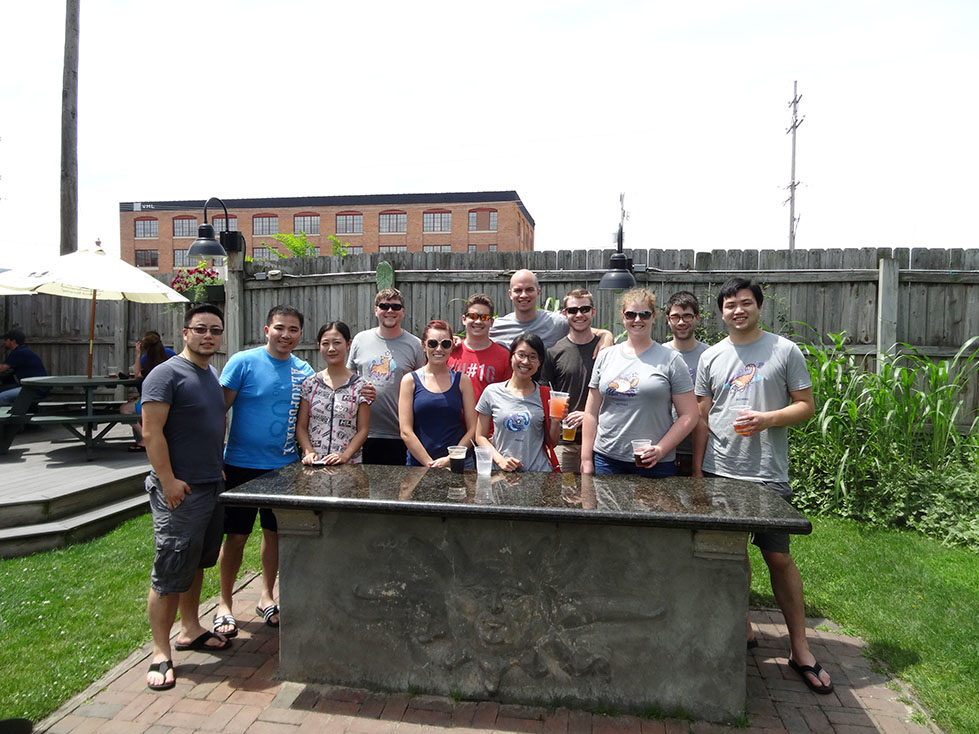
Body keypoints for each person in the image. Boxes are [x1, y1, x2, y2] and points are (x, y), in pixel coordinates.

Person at [694, 277, 832, 695]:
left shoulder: (784, 350)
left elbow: (806, 406)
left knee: (778, 556)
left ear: (758, 306)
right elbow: (702, 415)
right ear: (721, 312)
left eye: (745, 303)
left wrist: (767, 419)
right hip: (720, 470)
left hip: (768, 472)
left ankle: (800, 647)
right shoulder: (711, 356)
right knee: (731, 553)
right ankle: (744, 623)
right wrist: (699, 470)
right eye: (730, 305)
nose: (738, 310)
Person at [141, 304, 231, 691]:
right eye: (200, 329)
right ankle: (160, 652)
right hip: (180, 490)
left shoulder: (210, 374)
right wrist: (168, 480)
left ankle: (190, 628)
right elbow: (150, 432)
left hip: (211, 484)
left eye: (215, 330)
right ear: (185, 333)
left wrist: (217, 468)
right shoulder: (165, 375)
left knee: (196, 563)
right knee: (169, 570)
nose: (208, 336)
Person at [213, 306, 314, 638]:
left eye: (293, 329)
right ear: (267, 329)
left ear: (300, 334)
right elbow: (217, 411)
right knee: (236, 536)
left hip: (284, 468)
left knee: (274, 535)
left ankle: (267, 596)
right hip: (240, 465)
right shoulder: (242, 362)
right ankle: (224, 603)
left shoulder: (304, 371)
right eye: (280, 328)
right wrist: (215, 459)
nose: (286, 335)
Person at [580, 288, 697, 477]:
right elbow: (591, 413)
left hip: (653, 461)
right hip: (607, 459)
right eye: (630, 314)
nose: (637, 319)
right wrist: (586, 459)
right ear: (622, 316)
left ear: (654, 316)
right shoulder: (605, 356)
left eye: (644, 314)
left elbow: (689, 415)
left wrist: (661, 449)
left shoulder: (671, 360)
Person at [347, 287, 425, 465]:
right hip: (362, 433)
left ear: (403, 312)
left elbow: (422, 385)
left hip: (400, 433)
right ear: (376, 310)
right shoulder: (360, 340)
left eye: (396, 307)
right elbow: (348, 378)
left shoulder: (415, 345)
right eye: (384, 306)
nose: (390, 311)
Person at [475, 333, 560, 473]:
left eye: (533, 357)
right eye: (521, 355)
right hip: (501, 472)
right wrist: (500, 460)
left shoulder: (546, 395)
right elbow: (480, 436)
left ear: (539, 362)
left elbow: (553, 443)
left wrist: (556, 421)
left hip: (538, 473)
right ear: (511, 357)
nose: (526, 362)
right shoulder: (491, 392)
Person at [399, 320, 477, 467]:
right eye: (433, 343)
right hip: (419, 464)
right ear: (424, 346)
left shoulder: (462, 381)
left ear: (452, 346)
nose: (439, 349)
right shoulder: (410, 381)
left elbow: (473, 428)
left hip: (458, 463)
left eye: (445, 344)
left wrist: (451, 458)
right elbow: (405, 431)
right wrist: (431, 464)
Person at [540, 288, 602, 473]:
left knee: (597, 490)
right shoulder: (554, 352)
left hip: (600, 441)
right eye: (573, 310)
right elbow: (543, 395)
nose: (579, 315)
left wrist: (589, 415)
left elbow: (616, 395)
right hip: (565, 442)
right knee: (563, 489)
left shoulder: (607, 351)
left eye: (584, 309)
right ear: (564, 314)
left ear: (593, 311)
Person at [296, 321, 371, 465]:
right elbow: (301, 427)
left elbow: (363, 429)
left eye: (337, 343)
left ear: (348, 344)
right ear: (319, 346)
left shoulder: (361, 386)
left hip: (349, 465)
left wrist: (344, 456)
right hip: (314, 464)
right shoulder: (310, 383)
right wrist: (309, 452)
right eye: (325, 343)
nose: (331, 349)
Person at [489, 269, 613, 350]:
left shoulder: (557, 323)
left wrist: (607, 336)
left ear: (538, 292)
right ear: (510, 294)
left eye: (529, 289)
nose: (523, 295)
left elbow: (591, 331)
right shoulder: (496, 327)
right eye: (518, 290)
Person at [662, 291, 711, 476]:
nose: (681, 322)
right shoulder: (659, 355)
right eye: (675, 317)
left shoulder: (711, 356)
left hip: (702, 448)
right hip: (665, 446)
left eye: (687, 316)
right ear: (668, 319)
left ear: (697, 317)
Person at [446, 293, 511, 401]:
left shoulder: (504, 357)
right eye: (473, 316)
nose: (478, 321)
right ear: (464, 319)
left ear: (492, 322)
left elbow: (508, 395)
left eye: (484, 317)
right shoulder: (449, 351)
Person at [120, 331, 176, 451]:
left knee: (124, 409)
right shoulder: (170, 354)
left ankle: (145, 439)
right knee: (135, 401)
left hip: (153, 402)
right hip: (172, 399)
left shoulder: (146, 359)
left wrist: (138, 355)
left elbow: (137, 375)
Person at [0, 328, 47, 406]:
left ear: (13, 341)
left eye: (6, 340)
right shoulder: (22, 351)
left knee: (1, 397)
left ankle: (10, 413)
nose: (4, 342)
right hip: (34, 387)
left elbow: (2, 369)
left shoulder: (19, 352)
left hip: (34, 389)